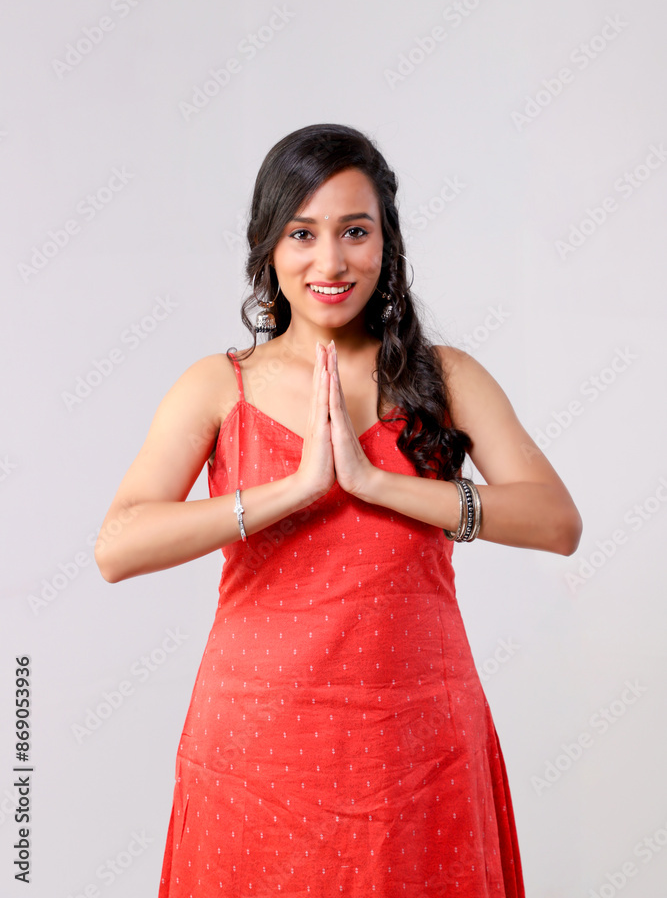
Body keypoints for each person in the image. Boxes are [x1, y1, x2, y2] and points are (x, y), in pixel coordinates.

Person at [94, 123, 582, 896]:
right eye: (303, 234)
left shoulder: (445, 378)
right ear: (268, 246)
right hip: (256, 751)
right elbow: (117, 545)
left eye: (355, 231)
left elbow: (555, 522)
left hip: (417, 749)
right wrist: (292, 490)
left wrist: (377, 484)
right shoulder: (219, 385)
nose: (330, 262)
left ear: (386, 242)